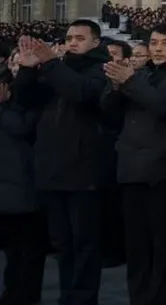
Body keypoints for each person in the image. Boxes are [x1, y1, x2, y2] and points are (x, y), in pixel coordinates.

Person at [15, 21, 112, 305]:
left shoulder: (102, 69)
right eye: (69, 38)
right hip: (53, 169)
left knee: (85, 244)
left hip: (85, 172)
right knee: (62, 243)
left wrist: (51, 63)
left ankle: (82, 299)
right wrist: (28, 69)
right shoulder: (56, 68)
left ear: (95, 42)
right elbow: (26, 100)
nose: (72, 43)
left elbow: (81, 93)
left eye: (80, 38)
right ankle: (67, 297)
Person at [100, 23, 166, 305]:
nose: (158, 49)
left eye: (165, 43)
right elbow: (109, 114)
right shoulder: (140, 74)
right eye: (153, 43)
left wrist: (129, 82)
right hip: (131, 169)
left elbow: (163, 106)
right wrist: (115, 88)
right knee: (137, 247)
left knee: (164, 246)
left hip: (164, 172)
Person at [0, 58, 47, 305]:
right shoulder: (16, 113)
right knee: (21, 255)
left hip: (22, 193)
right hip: (18, 194)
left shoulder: (24, 109)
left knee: (23, 255)